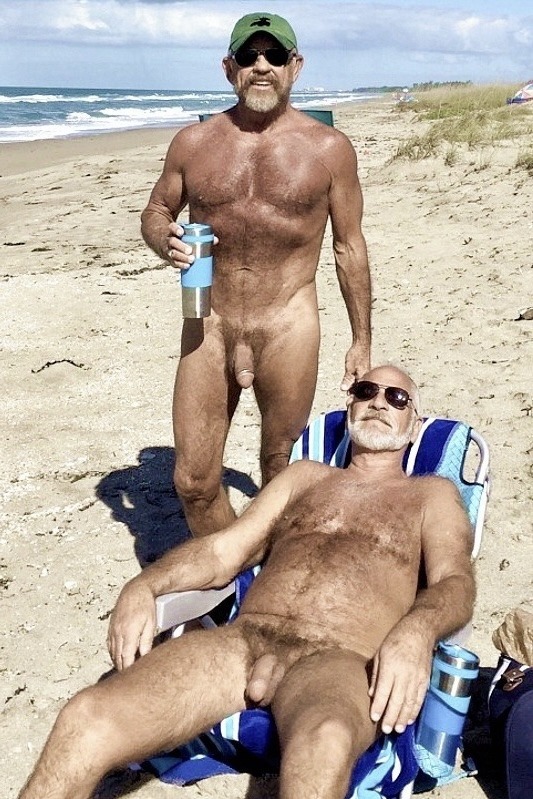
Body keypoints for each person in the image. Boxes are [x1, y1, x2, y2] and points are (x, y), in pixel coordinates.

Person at [18, 365, 476, 799]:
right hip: (240, 642)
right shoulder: (304, 478)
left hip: (340, 659)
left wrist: (417, 631)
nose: (379, 402)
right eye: (366, 391)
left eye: (397, 398)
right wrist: (146, 585)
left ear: (414, 425)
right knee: (85, 718)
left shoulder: (430, 495)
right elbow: (224, 551)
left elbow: (456, 581)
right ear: (350, 405)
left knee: (326, 741)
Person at [140, 12, 371, 536]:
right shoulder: (193, 143)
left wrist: (361, 341)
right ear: (230, 68)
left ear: (295, 66)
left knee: (278, 468)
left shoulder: (329, 149)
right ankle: (230, 568)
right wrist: (163, 239)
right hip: (209, 322)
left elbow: (349, 246)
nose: (261, 66)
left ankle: (270, 571)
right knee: (194, 482)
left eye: (274, 56)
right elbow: (156, 210)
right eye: (249, 56)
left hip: (288, 324)